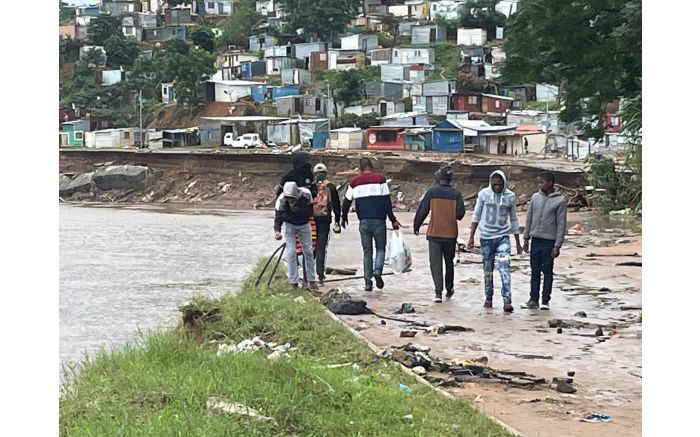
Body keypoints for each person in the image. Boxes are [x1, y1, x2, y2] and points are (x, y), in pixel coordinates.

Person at [341, 157, 400, 291]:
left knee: (367, 251)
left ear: (360, 168)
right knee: (380, 248)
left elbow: (346, 201)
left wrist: (343, 218)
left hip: (364, 222)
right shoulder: (380, 179)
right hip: (379, 220)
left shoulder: (354, 182)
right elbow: (386, 201)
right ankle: (378, 270)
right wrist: (393, 219)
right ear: (371, 166)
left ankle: (368, 283)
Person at [467, 170, 522, 312]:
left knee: (504, 268)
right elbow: (476, 215)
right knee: (487, 270)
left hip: (503, 238)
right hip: (486, 238)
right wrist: (471, 237)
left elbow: (514, 219)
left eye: (499, 185)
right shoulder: (484, 194)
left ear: (504, 184)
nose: (497, 187)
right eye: (494, 185)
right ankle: (489, 297)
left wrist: (518, 241)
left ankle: (507, 300)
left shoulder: (510, 197)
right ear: (490, 183)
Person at [413, 166, 465, 303]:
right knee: (449, 263)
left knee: (435, 264)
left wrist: (416, 225)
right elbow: (460, 215)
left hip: (434, 233)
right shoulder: (456, 194)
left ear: (437, 178)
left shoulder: (431, 192)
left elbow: (422, 211)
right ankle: (449, 289)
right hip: (450, 234)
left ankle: (438, 293)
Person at [522, 171, 567, 310]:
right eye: (539, 182)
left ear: (550, 183)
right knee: (534, 270)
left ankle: (545, 300)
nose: (539, 185)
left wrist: (557, 245)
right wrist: (526, 237)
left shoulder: (560, 201)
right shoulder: (535, 197)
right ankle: (533, 299)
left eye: (542, 182)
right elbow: (529, 218)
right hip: (535, 239)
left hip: (549, 241)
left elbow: (561, 224)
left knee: (547, 271)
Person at [274, 181, 318, 291]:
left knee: (308, 251)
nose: (290, 201)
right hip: (289, 225)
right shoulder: (281, 199)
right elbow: (278, 216)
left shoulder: (306, 195)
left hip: (304, 224)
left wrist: (298, 210)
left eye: (292, 199)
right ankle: (293, 282)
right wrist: (277, 231)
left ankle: (311, 281)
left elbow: (310, 212)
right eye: (288, 199)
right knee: (291, 252)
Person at [312, 163, 341, 286]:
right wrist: (337, 221)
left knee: (310, 247)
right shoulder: (331, 187)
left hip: (311, 221)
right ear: (326, 173)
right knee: (321, 247)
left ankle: (308, 275)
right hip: (325, 219)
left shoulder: (310, 187)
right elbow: (336, 206)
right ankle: (320, 276)